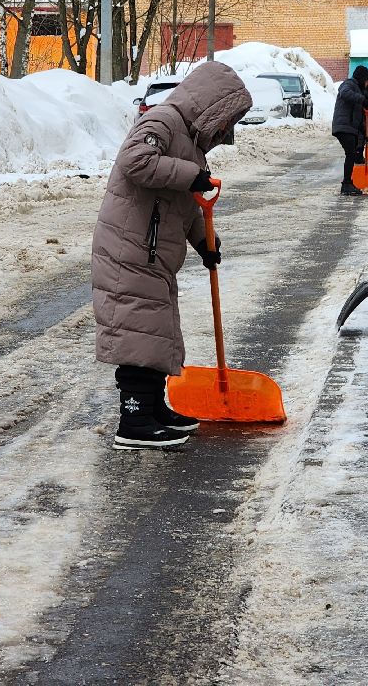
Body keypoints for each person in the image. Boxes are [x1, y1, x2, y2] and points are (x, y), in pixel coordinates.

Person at [92, 61, 252, 449]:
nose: (224, 129)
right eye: (225, 119)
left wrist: (204, 242)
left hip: (152, 253)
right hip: (130, 248)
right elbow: (135, 161)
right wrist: (189, 174)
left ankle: (153, 408)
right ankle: (133, 421)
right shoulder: (162, 121)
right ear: (210, 104)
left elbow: (187, 205)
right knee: (138, 334)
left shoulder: (190, 144)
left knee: (156, 331)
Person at [332, 64, 368, 195]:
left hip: (349, 126)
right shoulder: (348, 84)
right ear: (362, 78)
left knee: (351, 153)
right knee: (351, 154)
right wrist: (363, 99)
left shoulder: (357, 88)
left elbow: (358, 112)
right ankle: (346, 184)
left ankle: (347, 183)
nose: (367, 84)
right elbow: (345, 93)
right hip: (344, 126)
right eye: (367, 81)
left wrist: (363, 131)